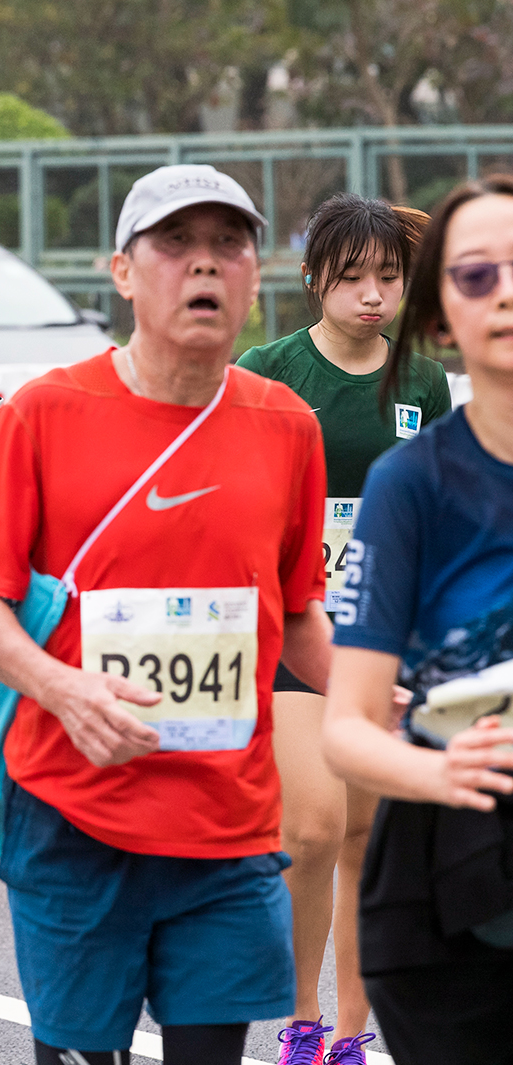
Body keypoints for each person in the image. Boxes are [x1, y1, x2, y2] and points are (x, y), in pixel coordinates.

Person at [0, 165, 330, 1065]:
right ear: (123, 271)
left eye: (228, 245)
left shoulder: (287, 425)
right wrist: (62, 688)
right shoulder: (48, 411)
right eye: (177, 244)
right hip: (77, 820)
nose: (206, 265)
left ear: (254, 274)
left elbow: (300, 612)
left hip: (227, 830)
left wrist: (386, 704)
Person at [235, 194, 450, 1063]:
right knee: (311, 828)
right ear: (313, 277)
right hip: (293, 629)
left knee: (368, 837)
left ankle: (353, 1035)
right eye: (353, 277)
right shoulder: (268, 370)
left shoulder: (423, 381)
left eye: (388, 279)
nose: (372, 295)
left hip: (386, 636)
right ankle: (301, 1018)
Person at [323, 175, 513, 1065]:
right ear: (441, 316)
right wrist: (441, 772)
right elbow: (349, 730)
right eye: (478, 276)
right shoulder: (415, 485)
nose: (505, 290)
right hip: (451, 894)